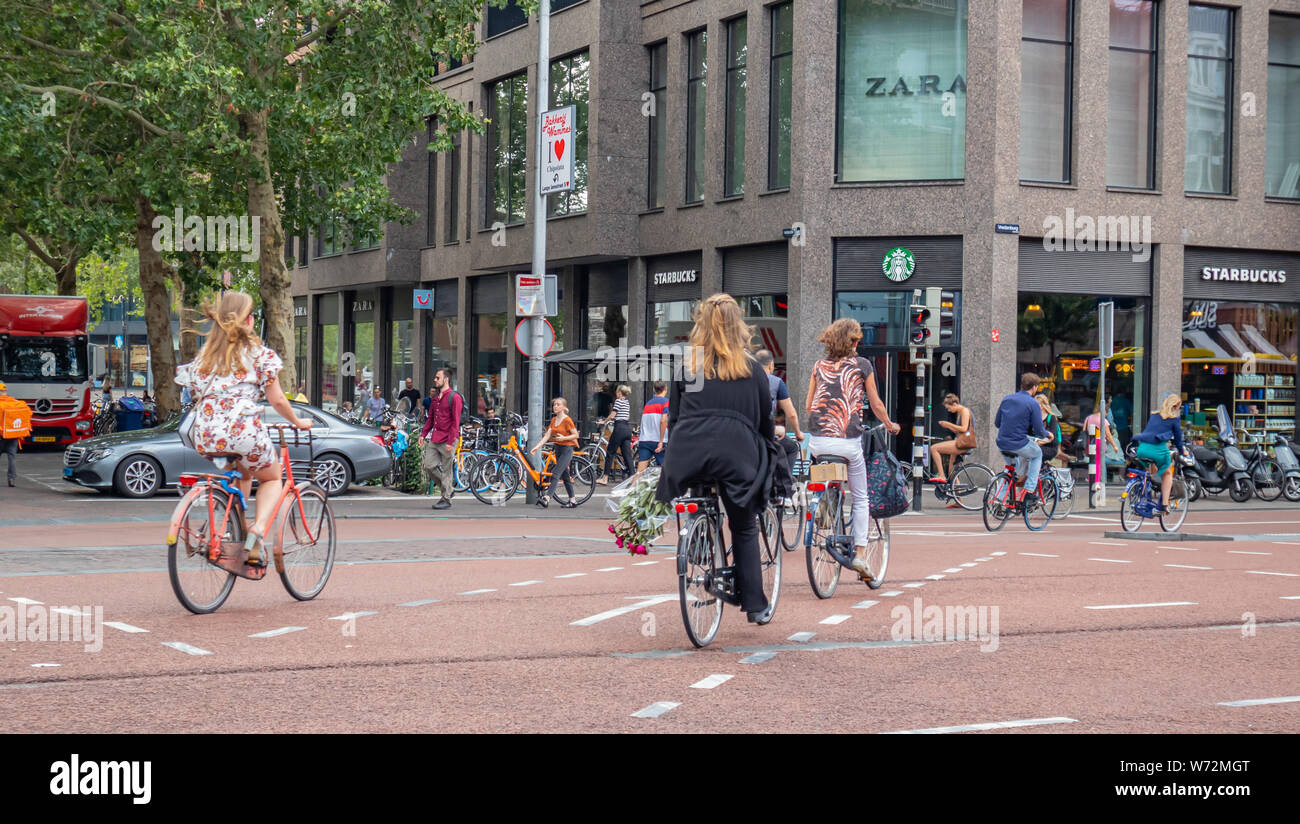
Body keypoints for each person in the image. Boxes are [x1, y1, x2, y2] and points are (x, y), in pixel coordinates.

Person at [657, 294, 779, 624]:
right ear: (738, 325)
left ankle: (699, 543)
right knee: (742, 524)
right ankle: (754, 604)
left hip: (689, 450)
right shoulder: (752, 369)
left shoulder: (690, 367)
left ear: (701, 326)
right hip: (736, 453)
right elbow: (764, 422)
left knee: (699, 486)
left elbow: (677, 416)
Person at [173, 291, 313, 566]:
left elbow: (194, 393)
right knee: (272, 478)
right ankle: (258, 533)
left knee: (243, 475)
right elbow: (277, 400)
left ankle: (238, 530)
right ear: (248, 320)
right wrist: (297, 421)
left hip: (207, 434)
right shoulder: (259, 355)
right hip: (243, 431)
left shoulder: (205, 357)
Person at [806, 318, 900, 581]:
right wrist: (890, 425)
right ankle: (859, 552)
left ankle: (826, 505)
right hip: (848, 443)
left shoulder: (818, 366)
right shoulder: (863, 365)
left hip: (817, 442)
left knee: (827, 472)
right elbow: (876, 404)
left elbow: (808, 407)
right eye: (857, 339)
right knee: (861, 497)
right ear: (854, 342)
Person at [995, 373, 1052, 507]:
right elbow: (1039, 431)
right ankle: (1030, 491)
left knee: (1010, 472)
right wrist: (1048, 434)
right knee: (1037, 454)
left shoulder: (1007, 399)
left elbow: (997, 423)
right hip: (1018, 444)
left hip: (1001, 443)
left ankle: (998, 500)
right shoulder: (1033, 403)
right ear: (1034, 387)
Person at [1132, 393, 1186, 513]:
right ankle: (1163, 506)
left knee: (1150, 471)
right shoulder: (1174, 420)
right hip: (1158, 450)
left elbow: (1152, 431)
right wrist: (1183, 451)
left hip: (1142, 448)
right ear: (1176, 406)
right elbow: (1178, 440)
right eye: (1179, 407)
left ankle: (1145, 497)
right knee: (1167, 474)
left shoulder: (1154, 415)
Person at [755, 349, 804, 482]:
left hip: (748, 433)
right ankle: (784, 485)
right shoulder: (776, 382)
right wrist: (798, 433)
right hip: (767, 434)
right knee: (792, 448)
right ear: (771, 365)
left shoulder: (746, 380)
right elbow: (791, 414)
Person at [418, 368, 463, 510]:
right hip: (435, 438)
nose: (435, 380)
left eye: (438, 378)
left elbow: (456, 422)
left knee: (447, 470)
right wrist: (423, 434)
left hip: (448, 438)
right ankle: (448, 489)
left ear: (446, 379)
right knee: (428, 465)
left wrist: (450, 442)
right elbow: (430, 419)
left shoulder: (454, 397)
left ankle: (446, 499)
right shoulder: (435, 399)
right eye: (435, 378)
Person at [531, 396, 581, 508]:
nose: (555, 406)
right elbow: (547, 436)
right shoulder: (554, 420)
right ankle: (572, 501)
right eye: (554, 404)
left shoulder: (567, 420)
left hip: (567, 450)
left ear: (563, 407)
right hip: (558, 449)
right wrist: (537, 447)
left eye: (558, 404)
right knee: (566, 476)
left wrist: (563, 438)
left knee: (555, 474)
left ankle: (547, 498)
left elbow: (576, 435)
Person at [929, 393, 973, 484]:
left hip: (963, 443)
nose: (949, 410)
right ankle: (958, 497)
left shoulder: (964, 411)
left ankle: (941, 475)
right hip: (961, 441)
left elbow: (964, 428)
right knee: (952, 473)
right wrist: (947, 426)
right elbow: (959, 431)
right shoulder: (960, 413)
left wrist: (948, 424)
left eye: (949, 408)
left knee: (934, 448)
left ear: (954, 404)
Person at [596, 384, 633, 485]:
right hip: (627, 429)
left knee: (610, 452)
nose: (616, 394)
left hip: (619, 429)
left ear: (619, 393)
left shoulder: (618, 401)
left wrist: (604, 421)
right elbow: (627, 416)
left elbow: (613, 414)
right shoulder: (627, 402)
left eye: (617, 392)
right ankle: (633, 478)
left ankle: (605, 478)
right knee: (627, 455)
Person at [636, 382, 670, 471]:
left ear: (654, 390)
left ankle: (634, 484)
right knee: (667, 472)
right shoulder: (666, 403)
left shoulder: (648, 404)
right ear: (666, 389)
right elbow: (663, 421)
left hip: (645, 440)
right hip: (659, 441)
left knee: (639, 473)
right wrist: (661, 441)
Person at [0, 381, 21, 487]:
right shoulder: (15, 402)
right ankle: (11, 479)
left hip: (1, 435)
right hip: (14, 434)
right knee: (12, 457)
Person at [1035, 393, 1062, 465]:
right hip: (1038, 445)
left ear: (1042, 406)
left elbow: (1052, 436)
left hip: (1050, 448)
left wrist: (1039, 443)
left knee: (1031, 452)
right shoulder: (1035, 418)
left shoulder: (1051, 418)